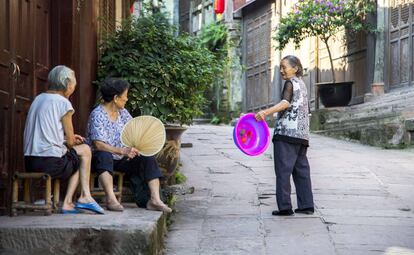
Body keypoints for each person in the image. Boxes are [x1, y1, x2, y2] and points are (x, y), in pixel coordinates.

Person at [24, 65, 104, 214]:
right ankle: (79, 198)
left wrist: (69, 138)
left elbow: (47, 132)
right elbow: (70, 143)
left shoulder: (38, 99)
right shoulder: (64, 103)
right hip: (50, 163)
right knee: (85, 151)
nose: (73, 87)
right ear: (67, 84)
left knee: (75, 154)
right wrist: (72, 139)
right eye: (74, 84)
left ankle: (77, 199)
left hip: (30, 161)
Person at [86, 77, 172, 213]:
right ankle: (111, 199)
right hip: (103, 159)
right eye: (125, 96)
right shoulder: (98, 114)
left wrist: (136, 147)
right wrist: (122, 151)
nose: (126, 99)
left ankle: (155, 200)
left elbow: (134, 132)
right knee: (104, 155)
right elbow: (98, 145)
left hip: (122, 158)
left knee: (147, 158)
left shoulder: (123, 113)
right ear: (115, 98)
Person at [255, 55, 314, 216]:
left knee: (283, 171)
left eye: (284, 67)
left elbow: (285, 103)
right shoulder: (302, 84)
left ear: (295, 68)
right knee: (301, 171)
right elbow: (306, 110)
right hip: (302, 135)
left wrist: (265, 112)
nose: (281, 70)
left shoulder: (290, 83)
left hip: (286, 135)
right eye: (280, 67)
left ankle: (285, 207)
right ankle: (306, 205)